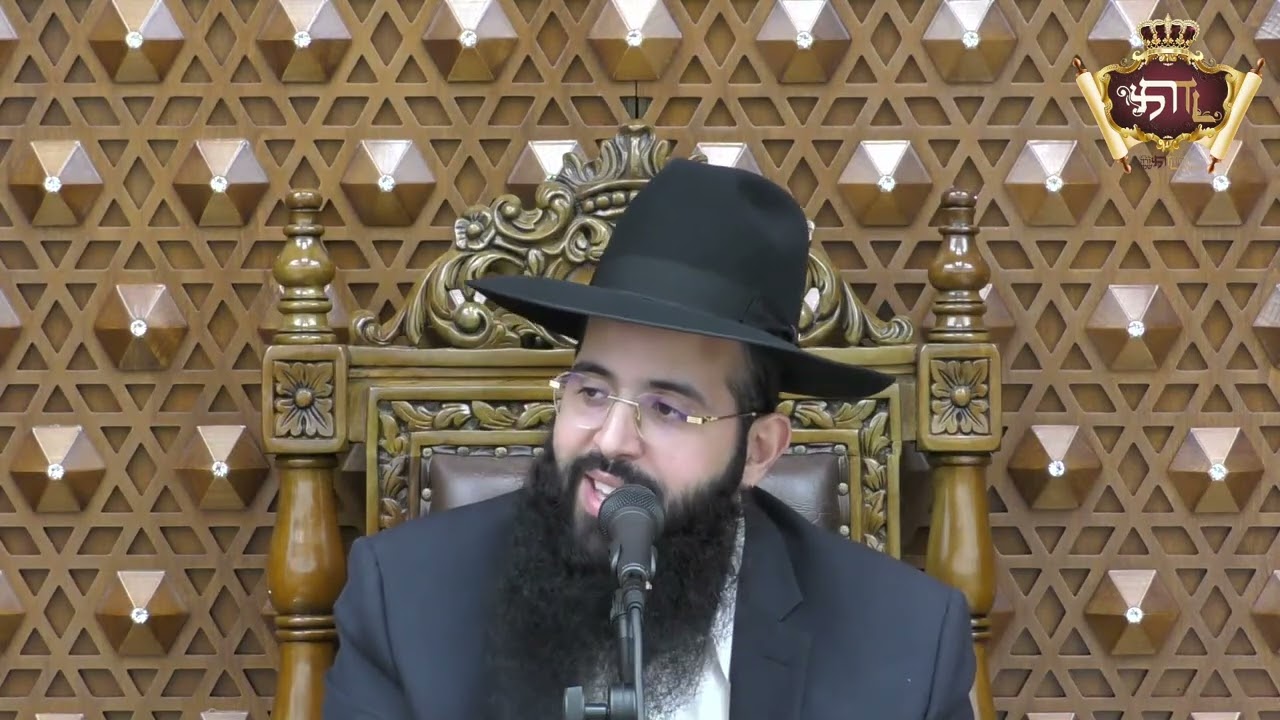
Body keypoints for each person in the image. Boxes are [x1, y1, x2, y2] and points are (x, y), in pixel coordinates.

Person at [322, 159, 977, 719]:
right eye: (592, 391)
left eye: (666, 409)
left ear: (758, 451)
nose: (611, 440)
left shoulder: (906, 641)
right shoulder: (405, 598)